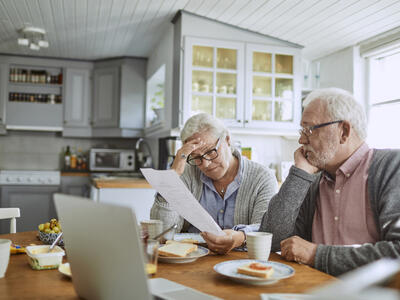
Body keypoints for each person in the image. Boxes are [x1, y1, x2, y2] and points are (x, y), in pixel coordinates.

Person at [259, 87, 400, 276]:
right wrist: (299, 174)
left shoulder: (392, 168)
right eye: (302, 130)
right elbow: (272, 240)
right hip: (314, 289)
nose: (301, 139)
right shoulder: (313, 178)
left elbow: (397, 254)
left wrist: (316, 255)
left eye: (309, 129)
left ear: (344, 132)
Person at [150, 113, 278, 254]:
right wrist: (171, 178)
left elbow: (266, 231)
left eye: (211, 152)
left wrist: (241, 237)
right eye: (196, 157)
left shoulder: (262, 177)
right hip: (191, 260)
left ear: (227, 140)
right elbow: (162, 234)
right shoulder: (187, 174)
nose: (205, 164)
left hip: (241, 261)